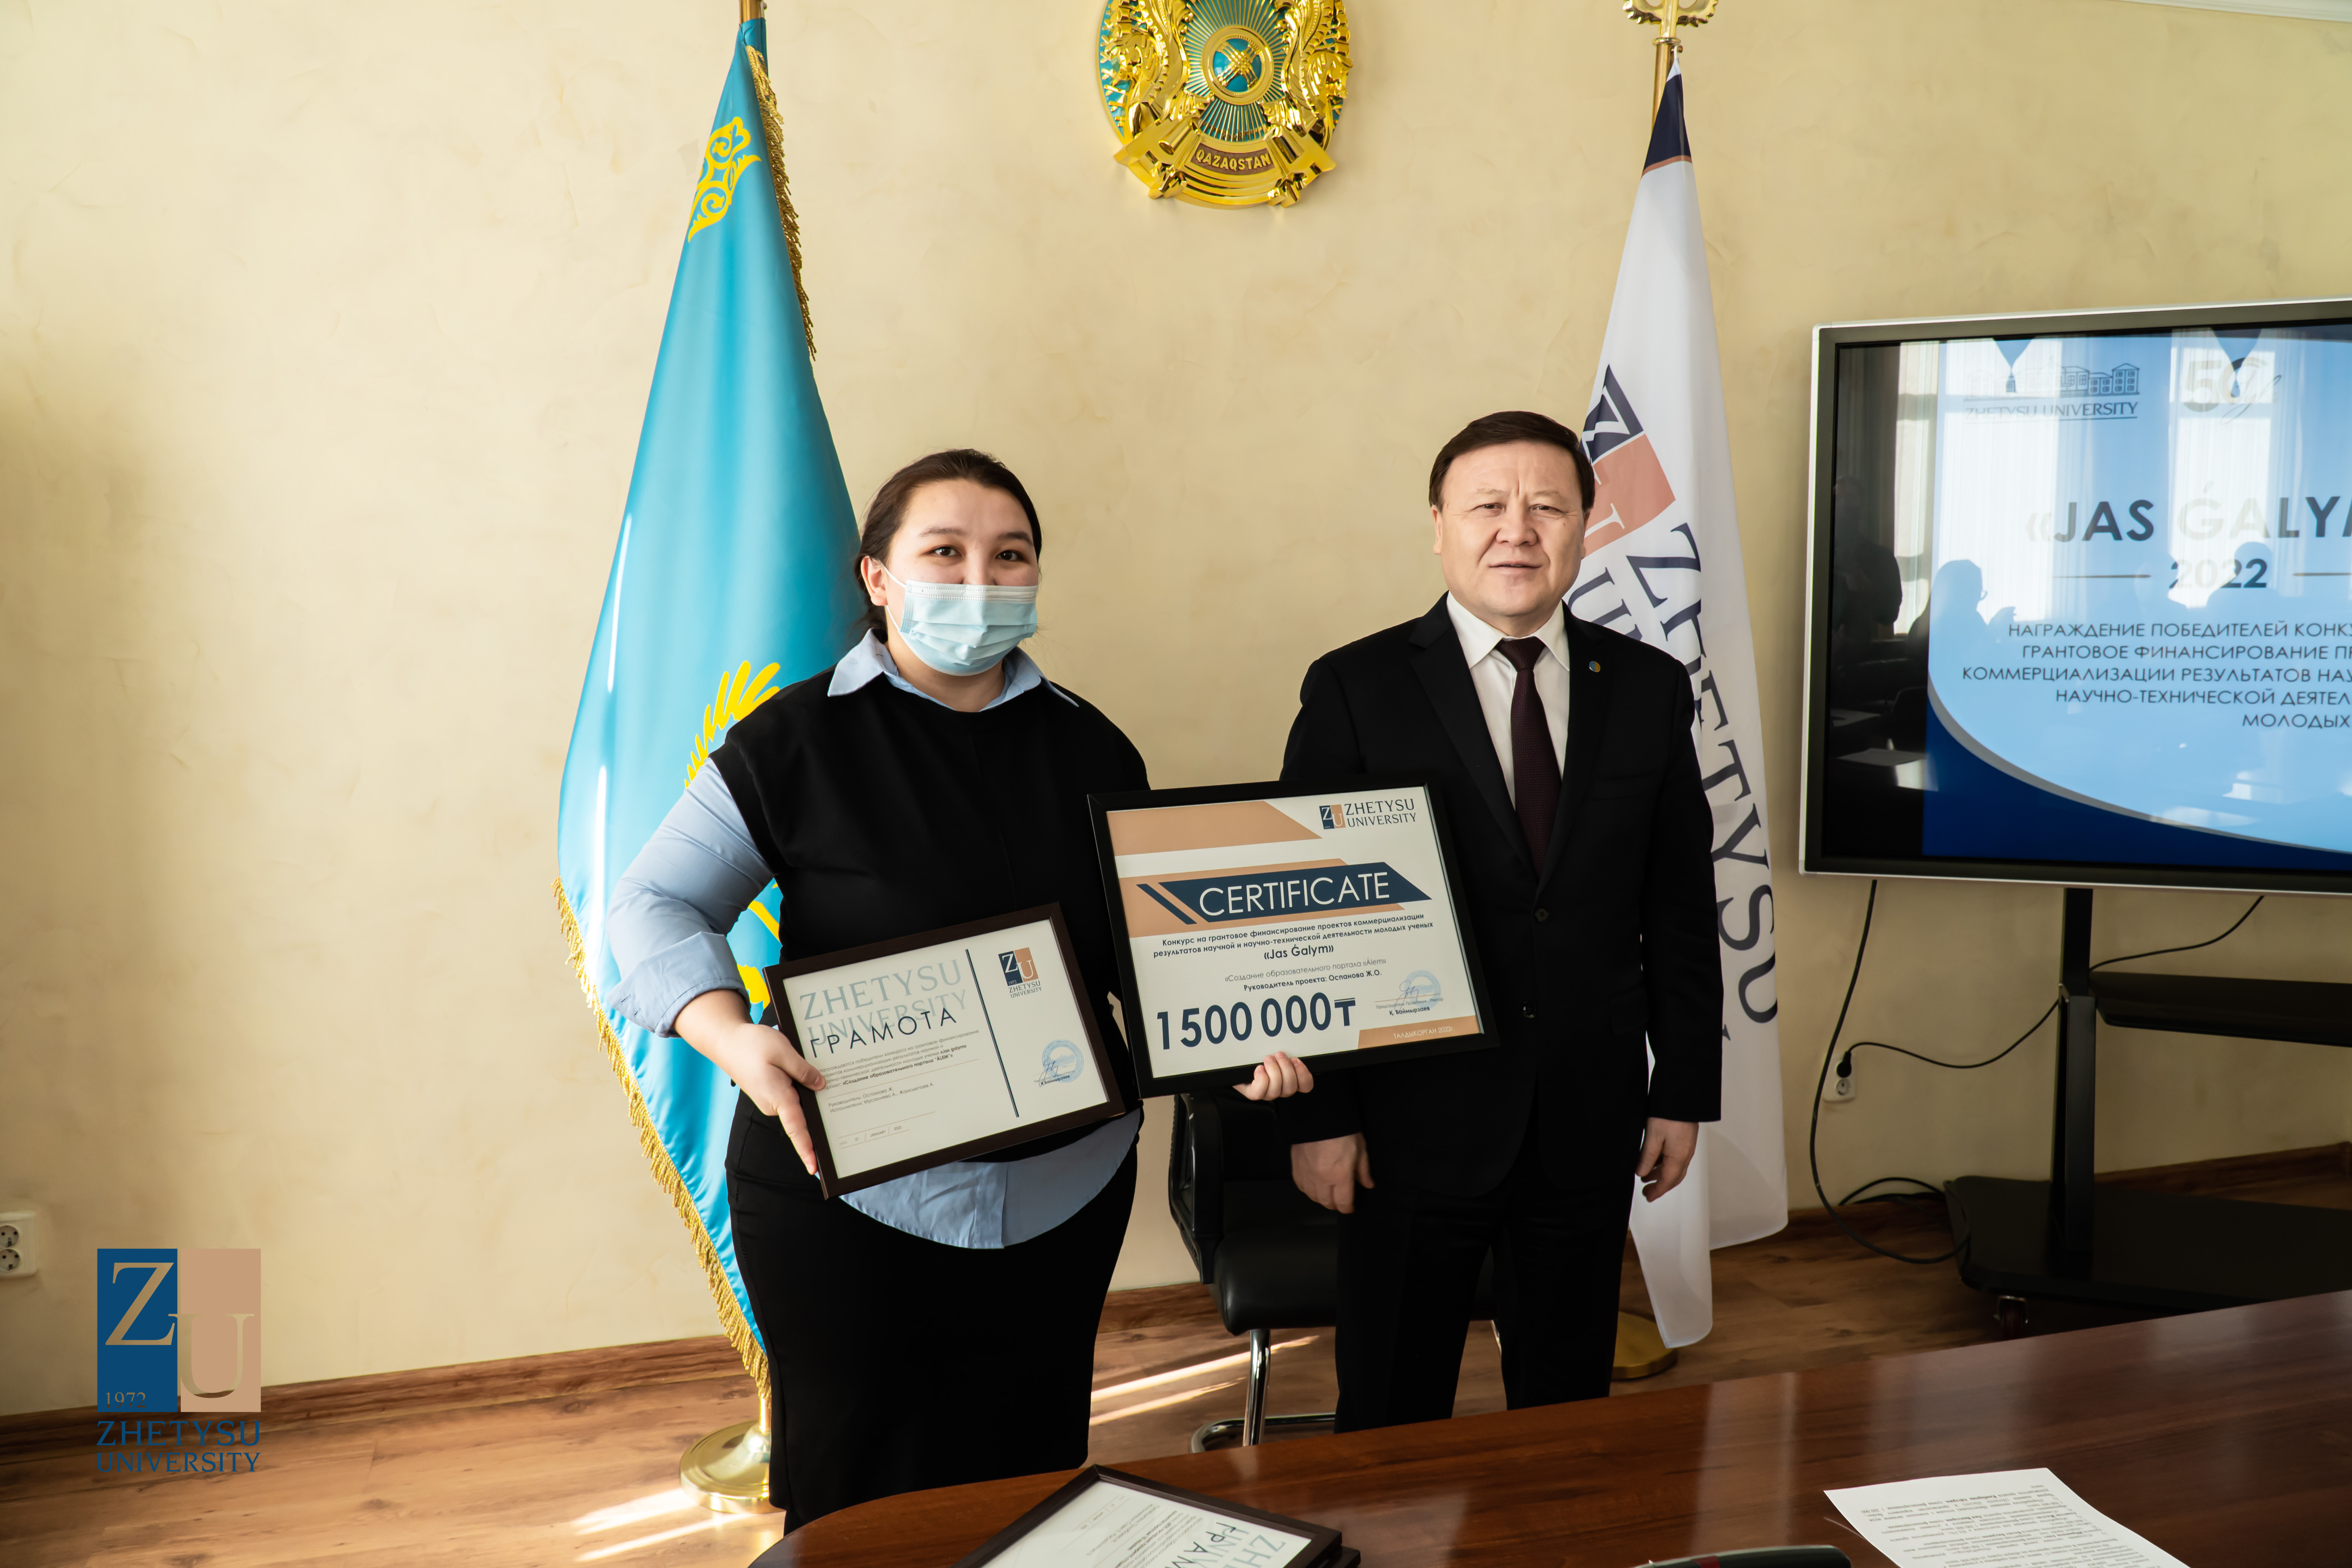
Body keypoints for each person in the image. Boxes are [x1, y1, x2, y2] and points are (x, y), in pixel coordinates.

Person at [604, 449, 1312, 1525]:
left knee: (1030, 1479)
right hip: (850, 1197)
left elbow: (1148, 959)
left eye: (1010, 556)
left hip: (1065, 1194)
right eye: (945, 552)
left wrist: (1239, 1046)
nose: (981, 581)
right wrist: (731, 1036)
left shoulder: (1094, 748)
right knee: (854, 1495)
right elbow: (653, 901)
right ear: (878, 575)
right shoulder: (793, 740)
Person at [1274, 410, 1721, 1430]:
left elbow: (1680, 907)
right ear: (1439, 526)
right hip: (1407, 1126)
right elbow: (1306, 921)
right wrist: (1320, 1118)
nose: (1516, 530)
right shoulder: (1354, 689)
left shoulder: (1647, 689)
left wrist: (1684, 1089)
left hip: (1586, 1115)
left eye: (1547, 507)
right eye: (1487, 506)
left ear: (1585, 527)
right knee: (1390, 1410)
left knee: (1566, 1411)